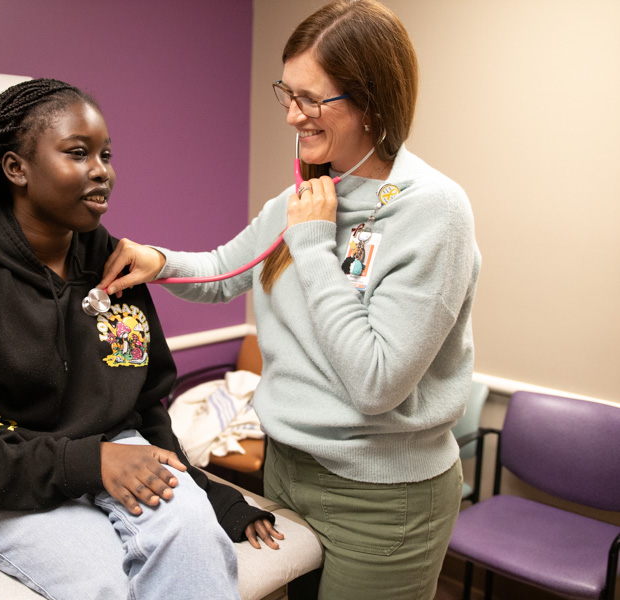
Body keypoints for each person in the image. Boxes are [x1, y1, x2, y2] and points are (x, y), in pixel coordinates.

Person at [99, 2, 481, 599]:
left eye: (311, 99)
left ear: (372, 101)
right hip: (285, 471)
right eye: (287, 92)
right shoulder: (302, 197)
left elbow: (377, 382)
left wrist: (312, 243)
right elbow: (228, 270)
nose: (291, 116)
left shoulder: (432, 211)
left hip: (381, 501)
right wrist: (159, 262)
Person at [0, 78, 283, 600]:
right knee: (102, 584)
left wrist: (215, 498)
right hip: (4, 479)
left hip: (119, 454)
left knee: (198, 544)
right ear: (17, 169)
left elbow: (147, 407)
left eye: (105, 154)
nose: (101, 170)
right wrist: (90, 463)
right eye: (77, 154)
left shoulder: (116, 270)